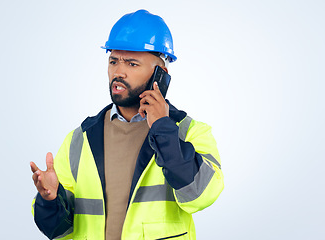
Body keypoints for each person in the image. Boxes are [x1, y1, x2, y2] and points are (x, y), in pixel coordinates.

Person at [30, 9, 224, 240]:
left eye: (132, 64)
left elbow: (201, 195)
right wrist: (50, 200)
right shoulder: (80, 138)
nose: (118, 72)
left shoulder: (189, 131)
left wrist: (163, 127)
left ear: (160, 74)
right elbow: (60, 230)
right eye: (113, 61)